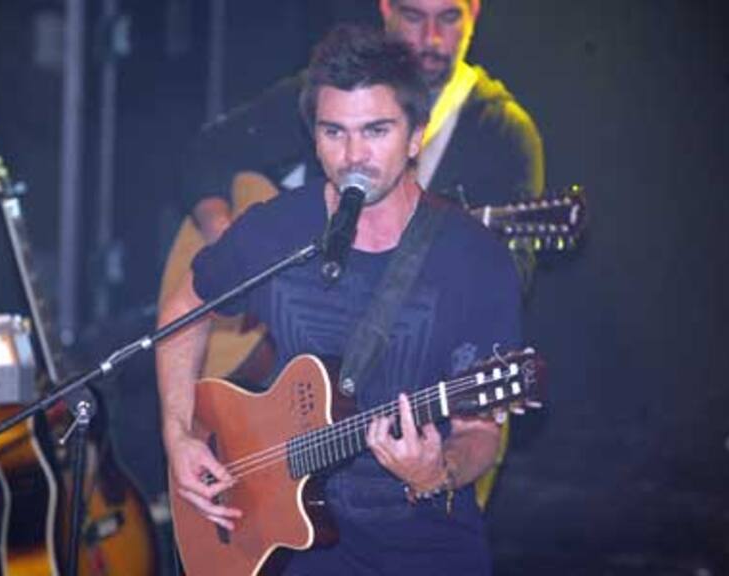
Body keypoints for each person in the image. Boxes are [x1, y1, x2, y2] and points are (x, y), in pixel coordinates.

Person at [157, 25, 521, 575]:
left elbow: (480, 433)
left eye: (376, 130)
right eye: (334, 132)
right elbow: (185, 308)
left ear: (416, 137)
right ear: (315, 137)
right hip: (293, 547)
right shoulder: (275, 231)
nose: (354, 156)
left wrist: (439, 470)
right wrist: (179, 433)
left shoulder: (475, 260)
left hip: (427, 551)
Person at [185, 0, 544, 247]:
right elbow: (209, 151)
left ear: (474, 12)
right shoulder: (333, 92)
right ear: (386, 8)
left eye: (449, 18)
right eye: (414, 16)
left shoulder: (504, 133)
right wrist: (227, 241)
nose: (432, 38)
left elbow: (512, 276)